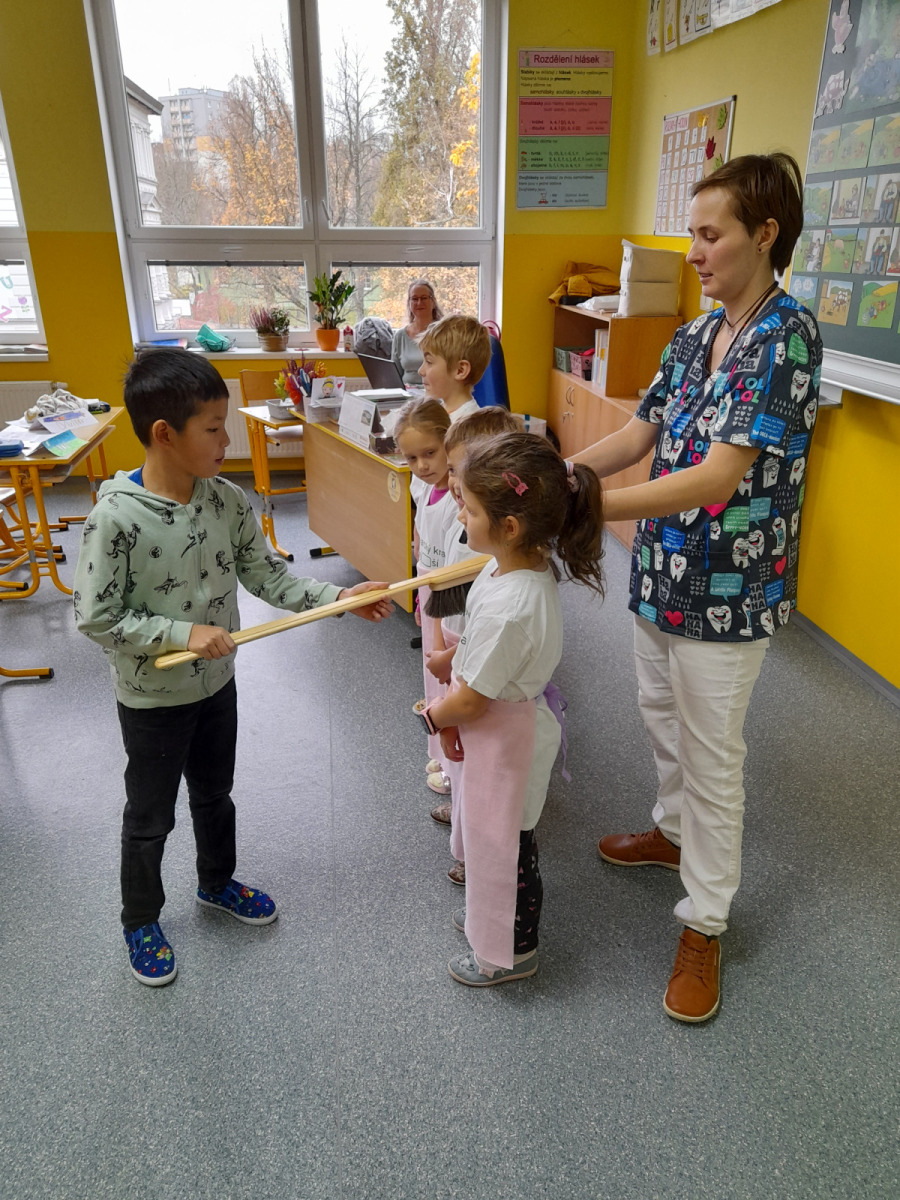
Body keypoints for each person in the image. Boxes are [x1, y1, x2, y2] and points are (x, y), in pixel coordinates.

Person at [573, 153, 822, 1023]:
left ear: (766, 234)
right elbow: (638, 434)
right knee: (660, 714)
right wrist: (559, 475)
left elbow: (718, 477)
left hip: (732, 588)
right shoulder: (693, 335)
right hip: (663, 572)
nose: (693, 252)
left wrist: (583, 508)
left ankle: (705, 921)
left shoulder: (786, 339)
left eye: (710, 235)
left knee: (714, 756)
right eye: (692, 234)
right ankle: (672, 833)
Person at [73, 349, 392, 987]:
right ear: (164, 434)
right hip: (152, 699)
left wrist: (338, 598)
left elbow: (268, 576)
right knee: (150, 818)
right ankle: (140, 919)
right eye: (214, 429)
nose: (228, 442)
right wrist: (181, 633)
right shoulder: (115, 518)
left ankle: (216, 883)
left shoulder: (226, 501)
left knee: (215, 795)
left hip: (217, 686)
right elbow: (95, 616)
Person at [423, 434, 604, 986]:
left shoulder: (513, 604)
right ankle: (489, 918)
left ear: (509, 526)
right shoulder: (508, 567)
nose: (460, 514)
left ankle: (511, 951)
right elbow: (485, 642)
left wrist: (434, 715)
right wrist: (454, 655)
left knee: (506, 846)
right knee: (490, 838)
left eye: (470, 509)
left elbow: (472, 699)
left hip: (506, 739)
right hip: (496, 728)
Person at [424, 406, 520, 890]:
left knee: (482, 771)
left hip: (480, 679)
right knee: (464, 759)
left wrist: (449, 664)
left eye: (460, 471)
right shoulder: (469, 519)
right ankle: (463, 820)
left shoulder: (501, 560)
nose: (453, 483)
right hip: (464, 657)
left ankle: (475, 852)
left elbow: (485, 629)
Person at [393, 397, 457, 800]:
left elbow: (455, 567)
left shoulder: (457, 499)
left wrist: (435, 608)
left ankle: (454, 766)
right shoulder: (427, 488)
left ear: (449, 442)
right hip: (431, 595)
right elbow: (424, 553)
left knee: (449, 681)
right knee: (432, 679)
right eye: (412, 458)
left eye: (430, 453)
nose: (421, 465)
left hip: (451, 605)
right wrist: (420, 598)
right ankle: (440, 750)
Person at [418, 315, 491, 424]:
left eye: (429, 362)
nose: (420, 371)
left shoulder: (466, 426)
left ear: (460, 370)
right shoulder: (441, 413)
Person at [391, 279, 443, 384]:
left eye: (424, 298)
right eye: (414, 299)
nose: (419, 303)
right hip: (406, 392)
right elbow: (395, 375)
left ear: (433, 302)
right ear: (409, 303)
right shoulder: (400, 336)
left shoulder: (444, 333)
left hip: (436, 391)